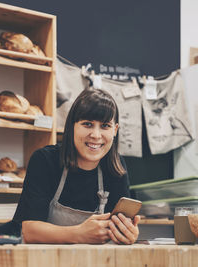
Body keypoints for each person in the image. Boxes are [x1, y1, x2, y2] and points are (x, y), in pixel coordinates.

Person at [12, 88, 140, 244]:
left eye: (105, 126)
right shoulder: (45, 161)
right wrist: (78, 234)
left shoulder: (116, 168)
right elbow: (29, 230)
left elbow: (115, 232)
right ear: (72, 126)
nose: (96, 135)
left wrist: (127, 233)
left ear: (115, 130)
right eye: (87, 124)